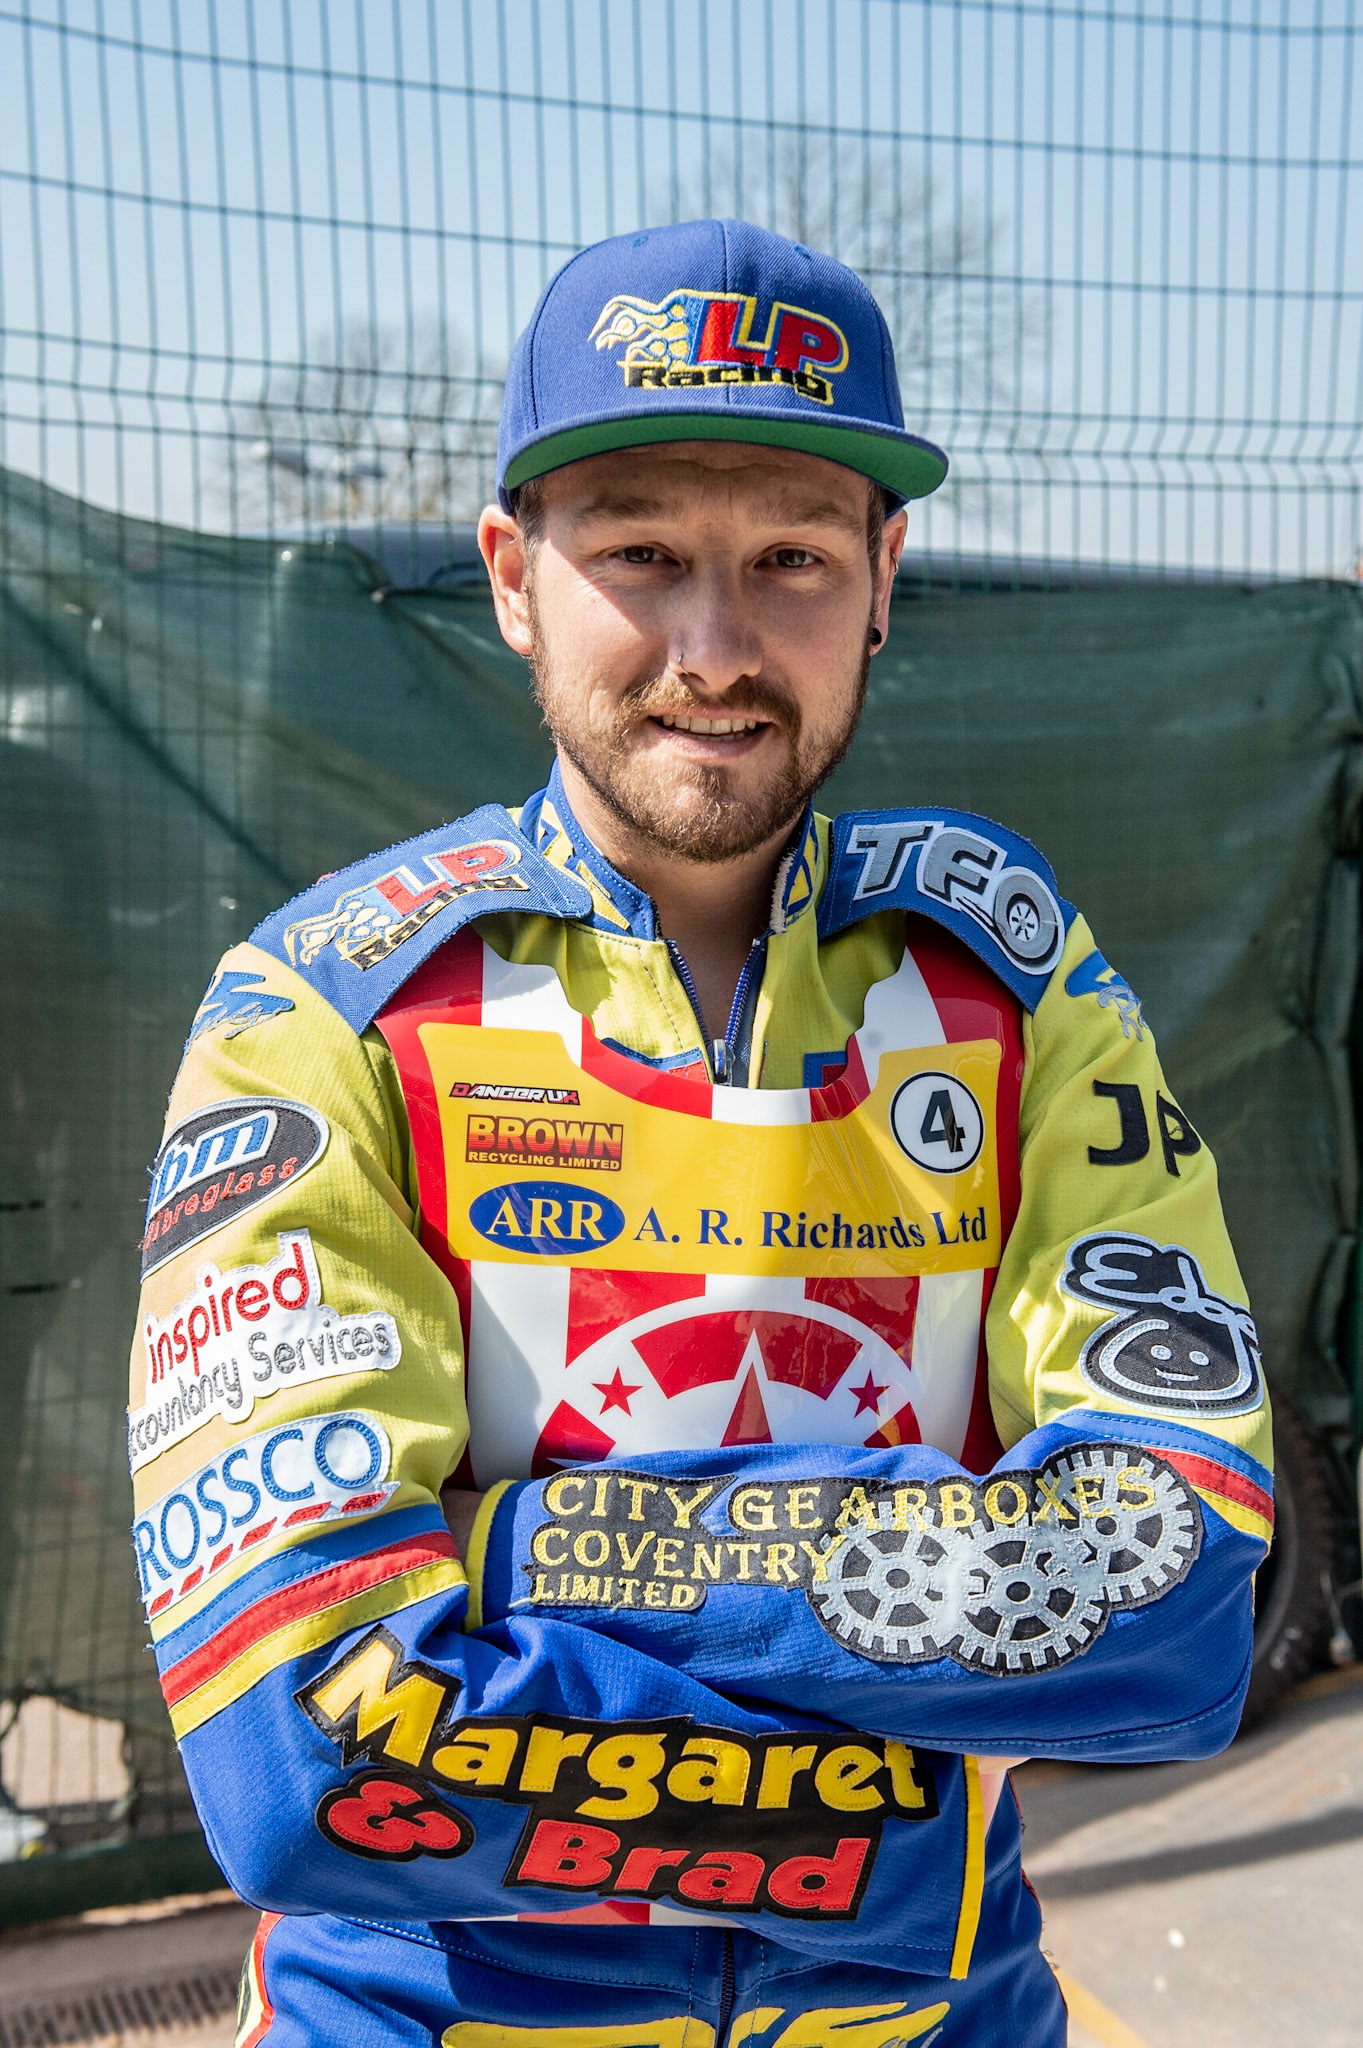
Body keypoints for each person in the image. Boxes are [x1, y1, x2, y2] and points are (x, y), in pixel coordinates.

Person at [128, 220, 1273, 2047]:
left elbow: (1181, 1589)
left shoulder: (1022, 984)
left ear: (887, 573)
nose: (715, 646)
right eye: (642, 553)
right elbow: (296, 1741)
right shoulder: (322, 1007)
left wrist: (512, 1553)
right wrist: (903, 1835)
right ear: (512, 575)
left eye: (793, 559)